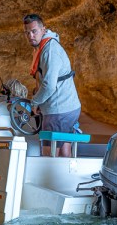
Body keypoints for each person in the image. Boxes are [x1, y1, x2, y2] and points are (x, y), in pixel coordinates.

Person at [22, 13, 81, 156]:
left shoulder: (49, 50)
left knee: (49, 152)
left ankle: (51, 178)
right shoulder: (42, 48)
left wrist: (35, 103)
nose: (30, 35)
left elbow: (49, 85)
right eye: (27, 32)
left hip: (59, 109)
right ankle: (66, 177)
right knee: (63, 148)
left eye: (34, 31)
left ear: (43, 30)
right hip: (66, 107)